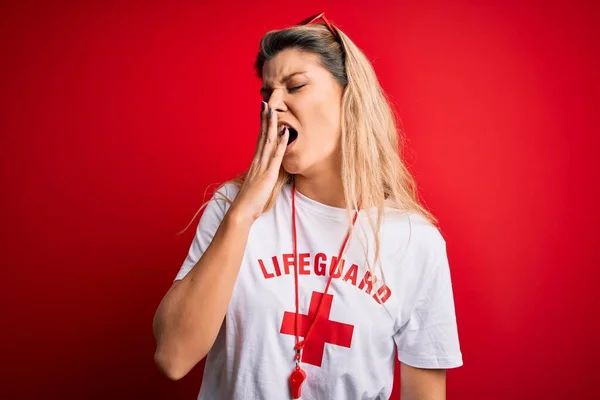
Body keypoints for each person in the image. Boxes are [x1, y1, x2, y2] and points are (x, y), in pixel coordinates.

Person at [152, 12, 463, 400]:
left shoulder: (416, 241)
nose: (272, 105)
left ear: (351, 99)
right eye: (266, 94)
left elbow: (425, 392)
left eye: (294, 86)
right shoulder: (233, 208)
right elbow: (173, 356)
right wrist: (244, 212)